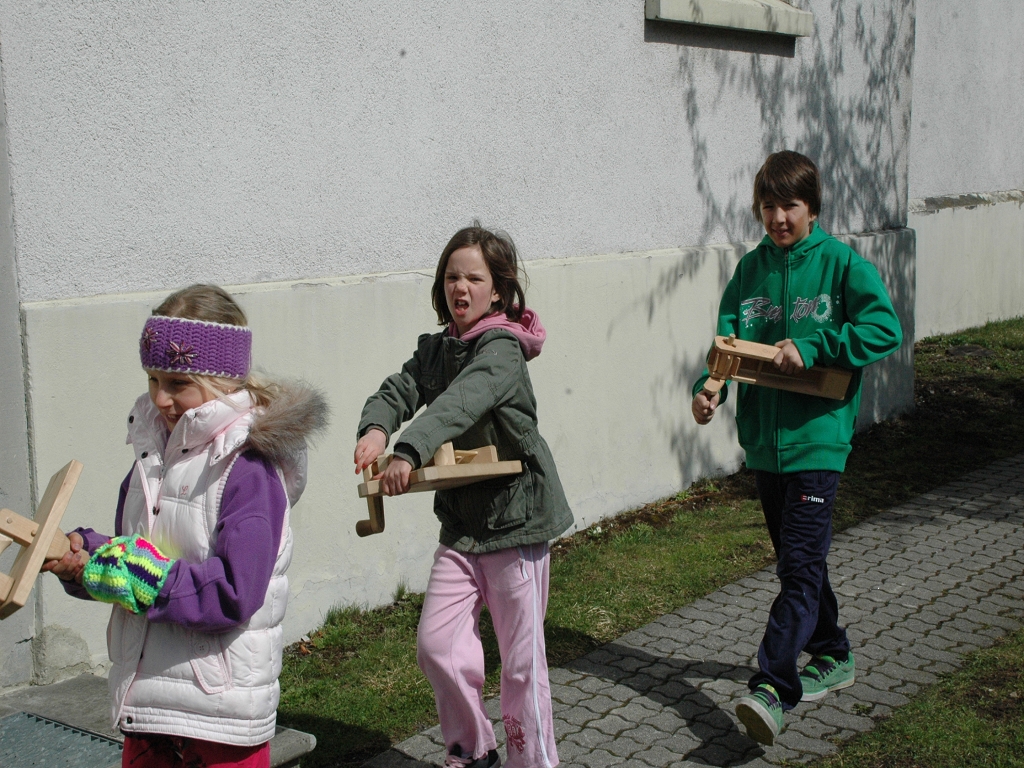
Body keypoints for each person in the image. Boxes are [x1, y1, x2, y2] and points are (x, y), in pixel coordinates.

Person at [44, 284, 328, 768]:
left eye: (178, 382)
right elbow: (141, 557)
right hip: (148, 709)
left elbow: (234, 591)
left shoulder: (247, 467)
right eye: (152, 378)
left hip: (218, 720)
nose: (160, 397)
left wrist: (132, 573)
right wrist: (88, 557)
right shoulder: (152, 456)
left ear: (222, 380)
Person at [691, 151, 902, 746]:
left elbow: (884, 329)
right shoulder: (750, 270)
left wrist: (814, 345)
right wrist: (708, 390)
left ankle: (772, 687)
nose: (779, 217)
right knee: (799, 564)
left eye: (790, 205)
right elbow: (727, 345)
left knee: (799, 570)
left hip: (818, 441)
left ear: (812, 207)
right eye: (769, 206)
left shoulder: (841, 264)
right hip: (765, 444)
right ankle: (833, 653)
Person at [354, 224, 573, 768]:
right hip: (462, 529)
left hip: (516, 522)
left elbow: (462, 401)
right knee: (437, 644)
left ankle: (533, 762)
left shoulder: (502, 349)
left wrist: (410, 449)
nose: (461, 287)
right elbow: (399, 389)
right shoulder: (437, 349)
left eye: (474, 278)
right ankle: (473, 751)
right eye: (453, 277)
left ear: (497, 290)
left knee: (521, 666)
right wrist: (377, 427)